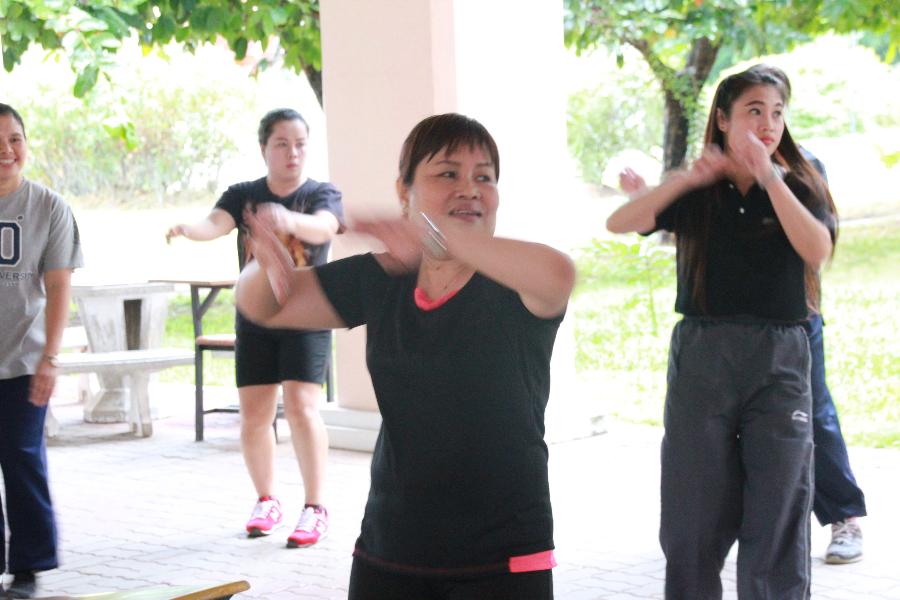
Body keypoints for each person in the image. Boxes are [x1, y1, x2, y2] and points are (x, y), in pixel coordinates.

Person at [235, 113, 575, 599]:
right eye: (448, 173)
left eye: (484, 177)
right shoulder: (383, 277)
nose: (470, 189)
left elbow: (559, 274)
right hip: (391, 547)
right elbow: (265, 304)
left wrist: (435, 237)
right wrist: (264, 260)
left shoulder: (517, 279)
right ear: (404, 191)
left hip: (503, 554)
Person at [619, 67, 867, 567]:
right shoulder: (701, 180)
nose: (768, 123)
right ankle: (720, 537)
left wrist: (769, 176)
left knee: (808, 426)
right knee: (708, 460)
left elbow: (817, 249)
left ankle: (843, 516)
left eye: (777, 112)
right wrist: (659, 191)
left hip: (788, 333)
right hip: (711, 345)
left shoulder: (801, 173)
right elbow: (635, 223)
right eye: (754, 111)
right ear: (722, 119)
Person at [166, 108, 343, 548]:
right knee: (255, 416)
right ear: (263, 148)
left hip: (306, 315)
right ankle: (266, 501)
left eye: (300, 144)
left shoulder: (321, 193)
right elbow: (215, 223)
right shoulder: (243, 195)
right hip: (256, 317)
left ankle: (315, 508)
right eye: (282, 144)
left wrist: (288, 221)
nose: (292, 153)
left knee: (302, 408)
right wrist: (189, 229)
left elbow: (325, 227)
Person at [0, 103, 83, 598]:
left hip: (24, 360)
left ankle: (28, 568)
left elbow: (58, 287)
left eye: (15, 139)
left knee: (21, 459)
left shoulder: (49, 207)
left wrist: (50, 358)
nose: (6, 150)